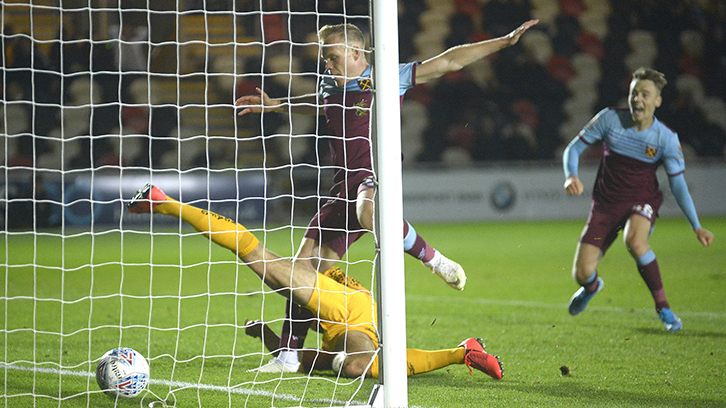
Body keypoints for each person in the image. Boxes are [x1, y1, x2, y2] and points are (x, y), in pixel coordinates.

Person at [235, 19, 539, 372]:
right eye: (325, 58)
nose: (327, 64)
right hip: (341, 191)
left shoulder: (385, 79)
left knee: (368, 214)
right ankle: (288, 355)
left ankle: (434, 259)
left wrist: (502, 42)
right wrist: (278, 105)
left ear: (355, 53)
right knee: (303, 271)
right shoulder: (328, 87)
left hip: (374, 179)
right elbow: (315, 102)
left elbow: (449, 61)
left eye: (332, 57)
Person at [126, 183, 503, 380]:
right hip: (350, 307)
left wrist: (269, 338)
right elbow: (315, 360)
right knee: (257, 258)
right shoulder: (354, 336)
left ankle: (164, 202)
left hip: (344, 307)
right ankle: (164, 202)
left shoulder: (336, 347)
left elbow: (305, 361)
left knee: (352, 365)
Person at [562, 67, 715, 331]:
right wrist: (570, 175)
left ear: (657, 100)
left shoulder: (665, 138)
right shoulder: (609, 119)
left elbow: (678, 185)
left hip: (642, 201)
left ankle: (664, 308)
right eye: (634, 93)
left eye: (645, 94)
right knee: (582, 273)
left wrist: (696, 225)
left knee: (635, 240)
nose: (638, 99)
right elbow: (573, 149)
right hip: (606, 205)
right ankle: (592, 287)